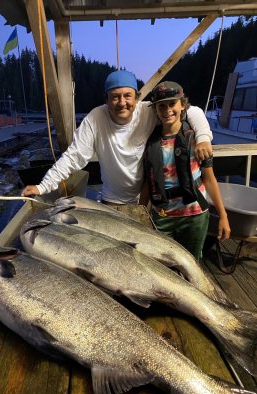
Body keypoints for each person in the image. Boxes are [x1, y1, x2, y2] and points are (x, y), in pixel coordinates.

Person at [21, 70, 213, 205]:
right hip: (111, 199)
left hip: (146, 200)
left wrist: (203, 138)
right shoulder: (95, 118)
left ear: (136, 98)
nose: (122, 103)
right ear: (106, 99)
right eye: (115, 97)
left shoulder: (148, 111)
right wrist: (42, 187)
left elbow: (191, 111)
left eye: (127, 96)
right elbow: (73, 157)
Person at [140, 81, 230, 260]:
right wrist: (141, 213)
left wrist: (223, 215)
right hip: (162, 216)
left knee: (192, 261)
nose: (167, 110)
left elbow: (209, 179)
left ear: (183, 105)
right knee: (164, 263)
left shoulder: (197, 140)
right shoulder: (150, 143)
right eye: (161, 106)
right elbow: (147, 184)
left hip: (194, 216)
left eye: (172, 104)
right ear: (156, 110)